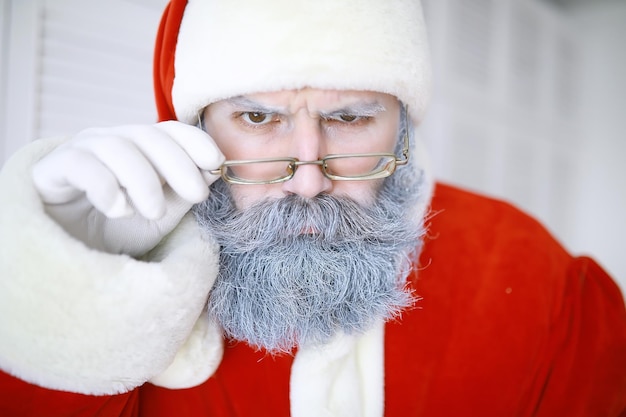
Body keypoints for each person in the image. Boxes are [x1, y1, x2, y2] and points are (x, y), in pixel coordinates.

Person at [0, 0, 624, 415]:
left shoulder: (539, 284)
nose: (305, 179)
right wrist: (67, 284)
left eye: (349, 118)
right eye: (256, 118)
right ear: (193, 127)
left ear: (402, 127)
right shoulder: (132, 273)